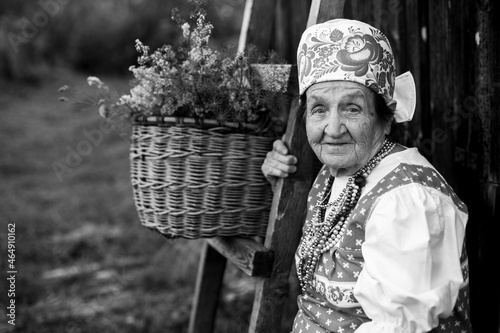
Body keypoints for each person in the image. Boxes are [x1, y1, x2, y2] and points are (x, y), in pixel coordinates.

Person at [261, 19, 472, 333]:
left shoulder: (408, 201)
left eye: (352, 109)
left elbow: (401, 327)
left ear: (385, 120)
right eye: (319, 109)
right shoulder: (337, 172)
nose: (332, 129)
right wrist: (276, 178)